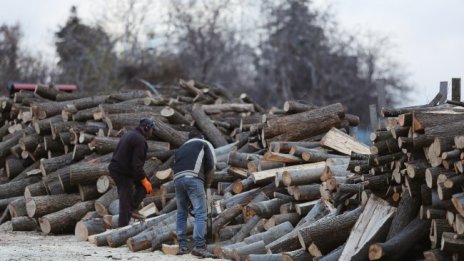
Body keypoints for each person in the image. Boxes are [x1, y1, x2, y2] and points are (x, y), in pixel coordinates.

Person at [173, 130, 217, 258]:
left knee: (181, 212)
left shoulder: (181, 148)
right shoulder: (204, 143)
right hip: (193, 177)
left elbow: (174, 166)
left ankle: (182, 245)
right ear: (201, 137)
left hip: (177, 179)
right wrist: (207, 185)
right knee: (200, 212)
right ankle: (199, 246)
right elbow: (211, 165)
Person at [108, 118, 154, 227]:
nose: (153, 131)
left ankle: (132, 208)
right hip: (122, 171)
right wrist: (143, 179)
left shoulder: (131, 134)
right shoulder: (140, 140)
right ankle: (122, 228)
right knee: (126, 197)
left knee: (143, 187)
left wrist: (144, 180)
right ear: (146, 128)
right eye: (152, 129)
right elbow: (137, 164)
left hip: (123, 169)